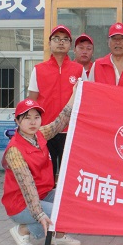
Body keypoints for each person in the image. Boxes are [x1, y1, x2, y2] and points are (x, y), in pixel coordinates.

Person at [2, 93, 82, 245]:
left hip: (43, 194)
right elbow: (27, 186)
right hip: (21, 203)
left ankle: (57, 234)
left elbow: (59, 122)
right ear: (17, 121)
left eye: (36, 117)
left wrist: (74, 93)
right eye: (27, 118)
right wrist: (39, 214)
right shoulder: (15, 151)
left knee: (71, 201)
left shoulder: (39, 135)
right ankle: (23, 230)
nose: (33, 122)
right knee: (57, 212)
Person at [28, 25, 85, 179]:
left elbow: (85, 100)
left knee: (69, 176)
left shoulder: (79, 70)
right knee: (47, 176)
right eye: (57, 39)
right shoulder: (38, 69)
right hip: (45, 131)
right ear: (49, 43)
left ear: (70, 45)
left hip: (71, 131)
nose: (61, 42)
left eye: (65, 39)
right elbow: (32, 101)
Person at [88, 22, 123, 89]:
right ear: (108, 42)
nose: (118, 42)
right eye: (114, 39)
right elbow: (89, 91)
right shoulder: (97, 65)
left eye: (122, 39)